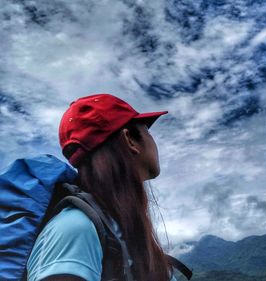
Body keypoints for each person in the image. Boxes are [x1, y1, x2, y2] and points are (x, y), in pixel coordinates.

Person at [27, 93, 175, 281]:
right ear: (129, 139)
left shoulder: (121, 230)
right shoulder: (77, 228)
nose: (153, 142)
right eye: (147, 130)